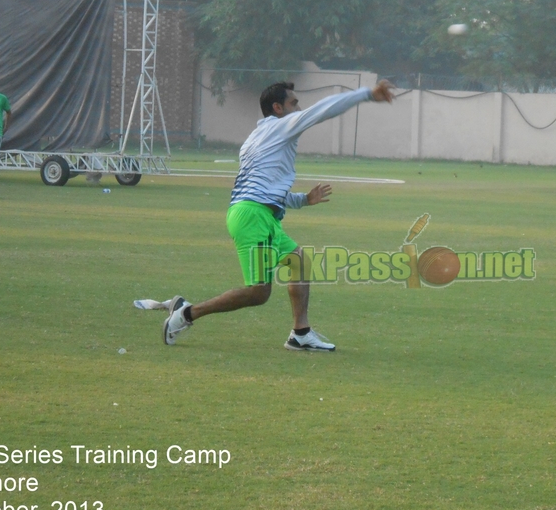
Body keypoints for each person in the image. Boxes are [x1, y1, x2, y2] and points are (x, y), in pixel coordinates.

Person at [162, 79, 396, 351]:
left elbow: (267, 186)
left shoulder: (255, 138)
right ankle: (185, 315)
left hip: (258, 214)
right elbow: (323, 110)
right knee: (258, 293)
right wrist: (366, 94)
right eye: (294, 103)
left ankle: (300, 333)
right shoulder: (281, 126)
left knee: (299, 262)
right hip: (253, 217)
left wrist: (303, 200)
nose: (299, 108)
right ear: (278, 108)